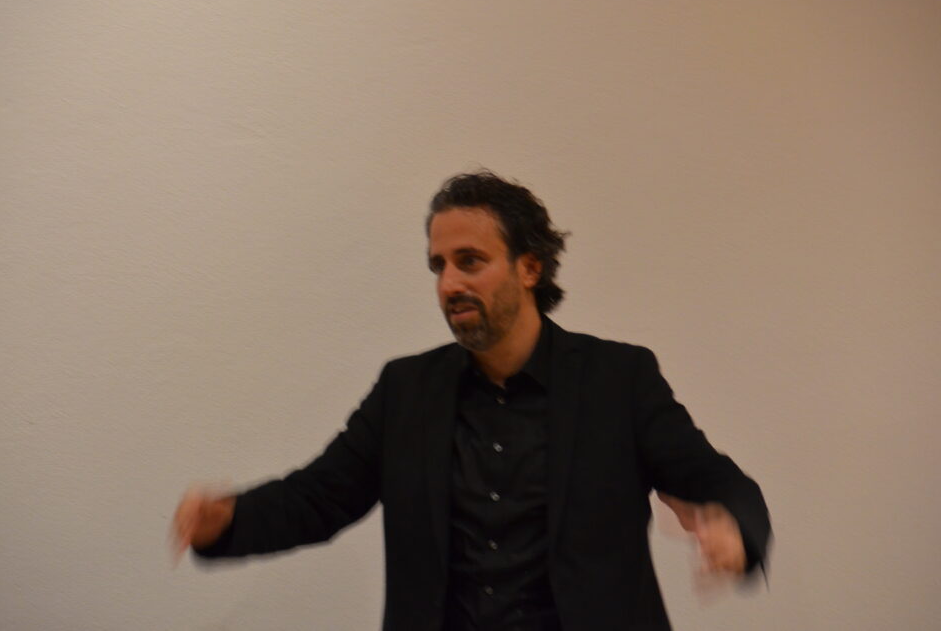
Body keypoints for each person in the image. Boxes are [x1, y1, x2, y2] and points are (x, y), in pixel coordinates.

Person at [171, 171, 771, 631]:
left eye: (470, 262)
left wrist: (736, 531)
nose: (449, 284)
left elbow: (715, 479)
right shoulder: (406, 391)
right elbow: (321, 496)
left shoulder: (618, 380)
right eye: (438, 266)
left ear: (529, 267)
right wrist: (230, 522)